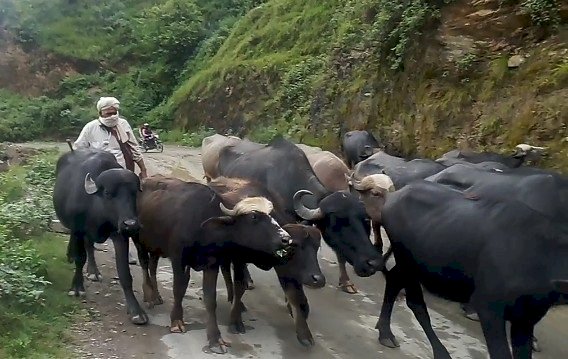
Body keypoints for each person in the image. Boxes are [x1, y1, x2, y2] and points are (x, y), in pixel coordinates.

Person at [74, 96, 148, 264]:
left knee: (127, 211)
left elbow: (134, 147)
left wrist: (143, 169)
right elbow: (79, 149)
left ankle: (125, 249)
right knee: (99, 212)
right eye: (108, 113)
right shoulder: (91, 128)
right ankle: (92, 245)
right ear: (100, 113)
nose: (112, 116)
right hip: (103, 179)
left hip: (124, 176)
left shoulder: (123, 125)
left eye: (114, 112)